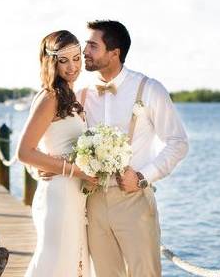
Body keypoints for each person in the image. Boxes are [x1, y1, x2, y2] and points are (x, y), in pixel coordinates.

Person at [79, 20, 189, 277]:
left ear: (114, 53)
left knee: (144, 273)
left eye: (93, 46)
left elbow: (178, 142)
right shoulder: (82, 93)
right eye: (86, 45)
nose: (85, 51)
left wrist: (142, 177)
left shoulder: (149, 89)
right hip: (93, 201)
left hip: (133, 200)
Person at [18, 30, 97, 277]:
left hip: (75, 192)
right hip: (60, 193)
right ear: (51, 61)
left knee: (74, 263)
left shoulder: (69, 96)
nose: (72, 66)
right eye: (64, 60)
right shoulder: (50, 96)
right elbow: (24, 151)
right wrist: (77, 170)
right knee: (54, 263)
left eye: (76, 58)